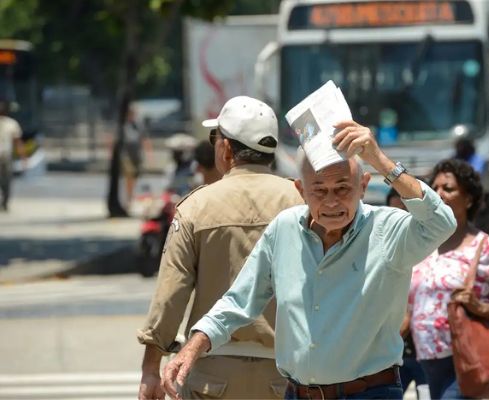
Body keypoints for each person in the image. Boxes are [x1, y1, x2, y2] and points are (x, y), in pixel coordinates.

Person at [161, 120, 457, 400]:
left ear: (363, 186)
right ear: (301, 191)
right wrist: (192, 347)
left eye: (342, 188)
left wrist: (380, 160)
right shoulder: (284, 228)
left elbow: (442, 222)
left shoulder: (388, 229)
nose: (331, 202)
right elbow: (239, 301)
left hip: (369, 392)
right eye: (319, 191)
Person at [137, 96, 304, 400]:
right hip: (288, 373)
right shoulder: (302, 202)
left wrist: (150, 370)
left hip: (211, 372)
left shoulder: (196, 207)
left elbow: (170, 295)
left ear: (226, 148)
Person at [408, 158, 489, 400]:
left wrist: (481, 308)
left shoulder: (488, 249)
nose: (439, 194)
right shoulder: (421, 243)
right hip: (423, 361)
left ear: (469, 199)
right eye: (434, 188)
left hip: (464, 362)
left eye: (448, 188)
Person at [386, 188, 428, 399]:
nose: (401, 218)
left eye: (406, 210)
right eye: (395, 211)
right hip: (394, 356)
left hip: (429, 355)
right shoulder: (384, 252)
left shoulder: (434, 249)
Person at [122, 106, 152, 206]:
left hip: (136, 155)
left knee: (135, 176)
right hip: (127, 155)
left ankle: (130, 195)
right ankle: (129, 197)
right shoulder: (123, 125)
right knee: (129, 175)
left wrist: (149, 154)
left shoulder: (138, 125)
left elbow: (144, 139)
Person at [0, 100, 24, 211]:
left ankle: (5, 201)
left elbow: (17, 142)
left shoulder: (11, 124)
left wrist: (23, 156)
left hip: (6, 156)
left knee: (7, 180)